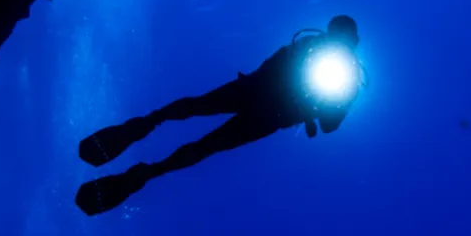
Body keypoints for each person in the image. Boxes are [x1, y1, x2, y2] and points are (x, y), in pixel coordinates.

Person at [75, 15, 362, 217]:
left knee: (207, 142)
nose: (338, 41)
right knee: (198, 110)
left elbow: (329, 126)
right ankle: (145, 127)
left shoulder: (348, 79)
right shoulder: (309, 45)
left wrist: (335, 105)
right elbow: (275, 61)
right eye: (336, 33)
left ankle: (146, 170)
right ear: (331, 31)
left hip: (268, 113)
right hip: (258, 94)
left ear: (352, 42)